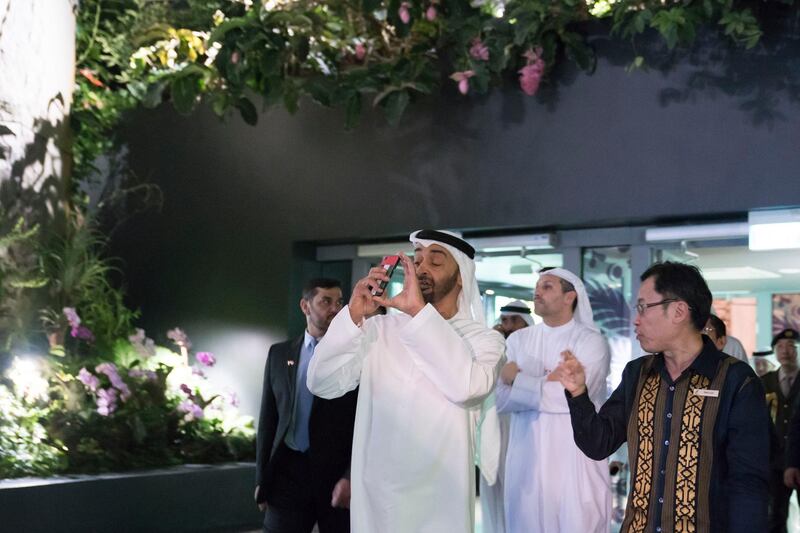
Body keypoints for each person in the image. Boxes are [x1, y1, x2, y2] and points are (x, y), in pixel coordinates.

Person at [307, 229, 505, 533]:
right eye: (417, 260)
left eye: (435, 262)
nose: (422, 268)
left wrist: (418, 313)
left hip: (440, 498)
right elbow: (322, 383)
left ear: (461, 276)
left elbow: (467, 388)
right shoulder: (380, 328)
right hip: (378, 496)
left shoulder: (484, 340)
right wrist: (353, 316)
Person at [557, 261, 769, 533]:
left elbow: (748, 484)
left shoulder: (736, 380)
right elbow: (598, 444)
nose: (636, 318)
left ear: (679, 311)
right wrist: (578, 394)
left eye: (644, 307)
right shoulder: (638, 374)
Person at [496, 267, 611, 532]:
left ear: (570, 297)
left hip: (573, 458)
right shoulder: (518, 340)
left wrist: (518, 380)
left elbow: (570, 399)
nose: (537, 292)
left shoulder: (591, 342)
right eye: (537, 286)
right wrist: (548, 382)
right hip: (527, 456)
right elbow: (500, 400)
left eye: (547, 286)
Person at [255, 278, 358, 533]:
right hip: (287, 473)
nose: (335, 308)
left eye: (339, 302)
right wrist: (261, 478)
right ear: (305, 306)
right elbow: (268, 421)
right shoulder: (279, 354)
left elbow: (362, 423)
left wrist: (349, 475)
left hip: (334, 476)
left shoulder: (354, 358)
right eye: (326, 301)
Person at [478, 300, 533, 533]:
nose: (508, 326)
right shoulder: (494, 345)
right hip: (492, 423)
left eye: (514, 321)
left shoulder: (532, 348)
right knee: (492, 486)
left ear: (526, 323)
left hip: (520, 427)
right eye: (504, 320)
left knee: (517, 488)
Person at [761, 328, 800, 533]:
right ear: (775, 352)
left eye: (791, 347)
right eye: (781, 347)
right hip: (774, 459)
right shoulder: (765, 382)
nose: (786, 351)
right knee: (775, 514)